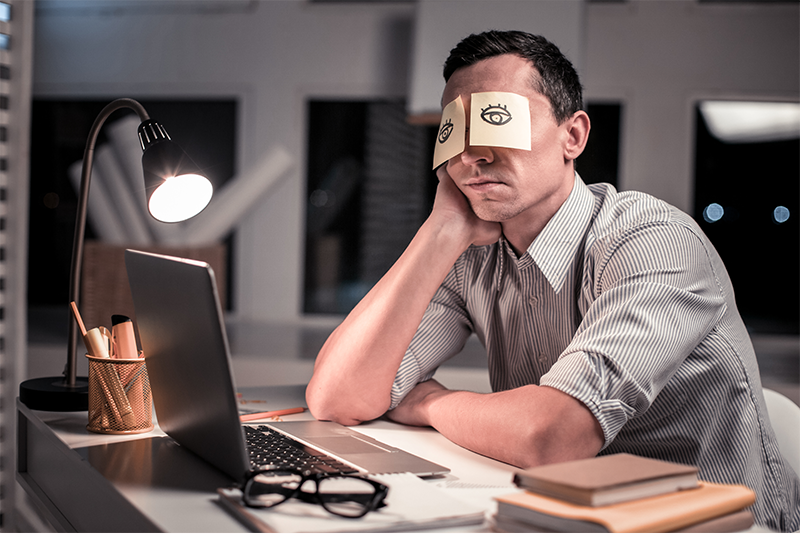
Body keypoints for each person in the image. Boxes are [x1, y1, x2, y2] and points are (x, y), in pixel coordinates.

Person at [306, 30, 800, 531]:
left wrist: (430, 401)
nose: (472, 154)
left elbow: (555, 438)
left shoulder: (653, 240)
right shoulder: (473, 258)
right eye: (454, 130)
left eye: (498, 119)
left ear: (574, 136)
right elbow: (336, 397)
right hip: (565, 513)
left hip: (714, 522)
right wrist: (439, 232)